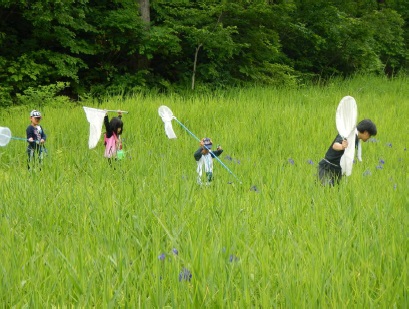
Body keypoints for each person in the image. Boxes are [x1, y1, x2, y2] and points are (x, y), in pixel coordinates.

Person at [318, 119, 377, 186]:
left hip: (338, 170)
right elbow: (335, 145)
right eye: (370, 135)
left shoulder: (356, 138)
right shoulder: (348, 134)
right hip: (327, 168)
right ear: (366, 132)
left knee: (334, 194)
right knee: (324, 190)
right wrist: (342, 146)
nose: (369, 138)